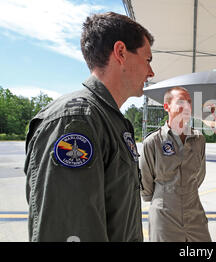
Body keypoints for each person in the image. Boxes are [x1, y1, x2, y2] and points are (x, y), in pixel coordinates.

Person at [24, 12, 155, 242]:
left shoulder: (109, 120)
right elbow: (68, 229)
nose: (151, 72)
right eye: (147, 60)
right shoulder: (76, 121)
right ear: (121, 52)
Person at [139, 87, 212, 242]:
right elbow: (146, 185)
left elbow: (199, 176)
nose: (186, 106)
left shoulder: (199, 140)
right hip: (164, 218)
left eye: (189, 102)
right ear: (167, 107)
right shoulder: (153, 142)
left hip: (195, 215)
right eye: (180, 101)